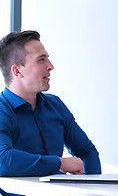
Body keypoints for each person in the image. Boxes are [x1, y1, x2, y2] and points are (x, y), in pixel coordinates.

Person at [0, 30, 101, 176]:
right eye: (41, 60)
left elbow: (87, 151)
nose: (51, 66)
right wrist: (60, 163)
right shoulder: (3, 111)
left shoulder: (55, 105)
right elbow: (2, 161)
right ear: (17, 71)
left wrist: (92, 187)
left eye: (48, 58)